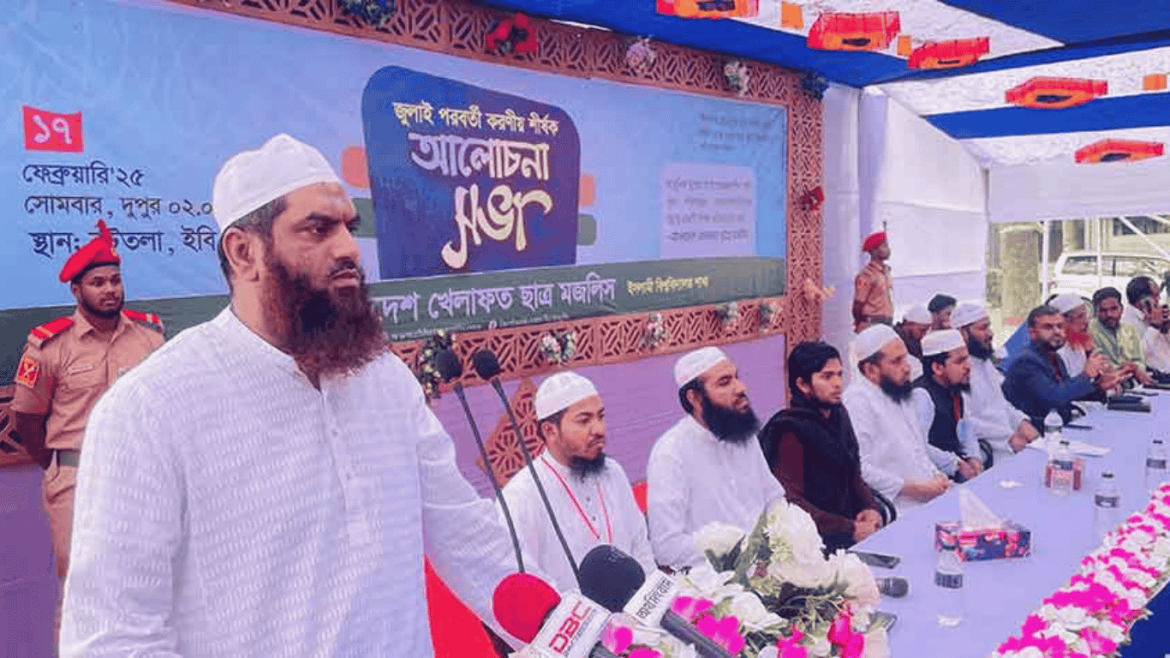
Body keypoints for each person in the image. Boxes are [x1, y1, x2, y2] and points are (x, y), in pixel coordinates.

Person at [59, 135, 523, 656]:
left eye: (349, 227)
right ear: (244, 252)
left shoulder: (386, 380)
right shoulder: (149, 410)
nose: (349, 249)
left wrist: (576, 634)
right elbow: (112, 638)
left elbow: (468, 537)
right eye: (318, 229)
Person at [10, 220, 165, 630]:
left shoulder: (149, 336)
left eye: (115, 280)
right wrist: (56, 464)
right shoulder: (49, 346)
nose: (110, 289)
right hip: (75, 480)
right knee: (82, 589)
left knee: (145, 581)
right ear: (77, 290)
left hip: (140, 474)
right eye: (98, 282)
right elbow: (26, 417)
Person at [500, 371, 655, 592]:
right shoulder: (522, 495)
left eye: (600, 416)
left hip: (637, 609)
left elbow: (640, 546)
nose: (599, 430)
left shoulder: (612, 472)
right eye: (584, 421)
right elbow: (528, 583)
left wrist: (653, 601)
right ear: (550, 431)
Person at [647, 347, 785, 570]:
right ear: (694, 398)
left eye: (736, 378)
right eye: (724, 383)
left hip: (770, 568)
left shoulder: (743, 435)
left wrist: (779, 543)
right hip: (713, 580)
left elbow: (773, 498)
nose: (741, 388)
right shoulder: (671, 453)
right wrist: (738, 555)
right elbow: (667, 547)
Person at [758, 342, 882, 552]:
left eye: (839, 374)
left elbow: (853, 470)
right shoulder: (790, 430)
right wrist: (849, 529)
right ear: (803, 384)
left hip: (851, 532)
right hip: (813, 546)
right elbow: (790, 503)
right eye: (827, 376)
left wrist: (869, 507)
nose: (838, 383)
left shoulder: (838, 414)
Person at [842, 325, 950, 512]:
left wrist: (936, 475)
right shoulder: (857, 401)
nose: (907, 367)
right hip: (896, 508)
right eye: (897, 361)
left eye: (905, 358)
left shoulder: (898, 392)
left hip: (929, 495)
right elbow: (858, 467)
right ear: (870, 369)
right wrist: (911, 488)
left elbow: (917, 449)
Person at [1003, 305, 1127, 430]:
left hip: (1059, 426)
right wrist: (1085, 376)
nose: (1057, 332)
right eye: (1048, 327)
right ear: (1032, 333)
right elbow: (1055, 398)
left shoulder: (1054, 357)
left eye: (1060, 326)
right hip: (1035, 432)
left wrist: (1099, 387)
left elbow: (1068, 393)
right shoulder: (1026, 361)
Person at [951, 302, 1038, 456]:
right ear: (962, 333)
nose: (990, 334)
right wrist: (1008, 437)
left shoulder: (984, 362)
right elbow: (965, 422)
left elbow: (1000, 405)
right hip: (989, 453)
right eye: (983, 328)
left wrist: (1022, 422)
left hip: (1012, 444)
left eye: (989, 327)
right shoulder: (957, 373)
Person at [913, 330, 983, 482]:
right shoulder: (922, 396)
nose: (968, 366)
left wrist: (974, 457)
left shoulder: (954, 388)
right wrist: (956, 464)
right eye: (960, 361)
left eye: (967, 359)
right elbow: (916, 445)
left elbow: (966, 429)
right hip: (933, 478)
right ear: (937, 368)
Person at [1090, 287, 1154, 387]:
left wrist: (1135, 367)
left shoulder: (1129, 329)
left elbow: (1141, 361)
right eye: (1103, 310)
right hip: (1109, 387)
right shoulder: (1090, 330)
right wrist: (1131, 369)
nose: (1109, 314)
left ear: (1121, 308)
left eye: (1114, 309)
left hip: (1134, 385)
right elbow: (1103, 367)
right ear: (1096, 312)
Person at [852, 231, 894, 332]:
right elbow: (858, 304)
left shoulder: (886, 272)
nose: (888, 249)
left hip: (886, 324)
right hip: (872, 324)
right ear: (874, 251)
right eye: (884, 246)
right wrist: (860, 323)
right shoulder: (866, 275)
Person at [1050, 293, 1093, 377]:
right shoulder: (1057, 354)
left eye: (1085, 316)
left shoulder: (1078, 347)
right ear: (1064, 321)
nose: (1085, 321)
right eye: (1080, 316)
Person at [894, 304, 931, 380]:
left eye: (926, 331)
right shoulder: (892, 340)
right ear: (909, 324)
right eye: (922, 330)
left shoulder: (916, 343)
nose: (924, 335)